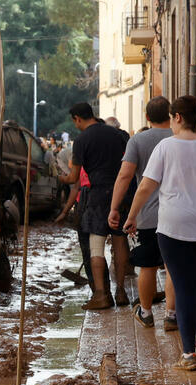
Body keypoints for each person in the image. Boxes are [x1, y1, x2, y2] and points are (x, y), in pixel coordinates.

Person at [123, 95, 196, 371]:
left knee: (184, 285)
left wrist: (132, 216)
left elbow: (145, 187)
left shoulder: (166, 147)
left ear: (177, 117)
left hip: (175, 228)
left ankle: (187, 355)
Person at [108, 96, 176, 330]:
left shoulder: (138, 140)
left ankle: (146, 313)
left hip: (146, 216)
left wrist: (115, 208)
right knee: (172, 266)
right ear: (170, 115)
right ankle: (171, 315)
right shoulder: (179, 138)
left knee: (147, 266)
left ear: (147, 117)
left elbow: (125, 176)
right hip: (176, 214)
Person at [59, 102, 132, 309]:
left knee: (96, 246)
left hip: (98, 196)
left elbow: (75, 177)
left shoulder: (82, 140)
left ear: (77, 119)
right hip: (120, 191)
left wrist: (61, 178)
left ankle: (101, 295)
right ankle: (121, 292)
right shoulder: (117, 135)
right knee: (119, 242)